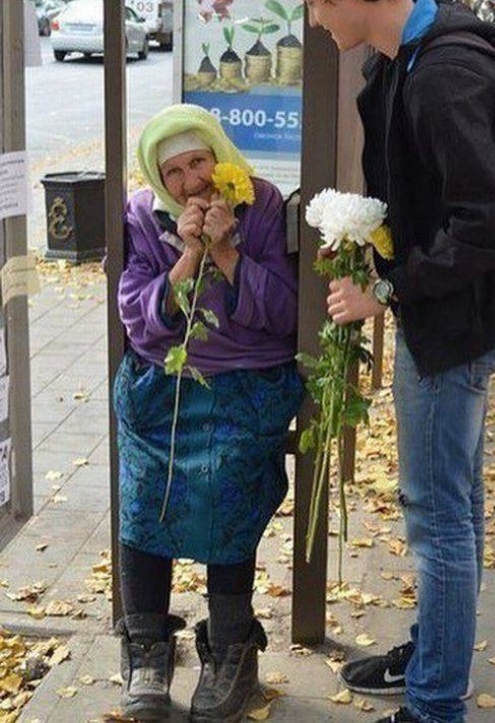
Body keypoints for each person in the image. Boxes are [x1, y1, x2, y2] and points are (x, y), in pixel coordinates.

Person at [287, 0, 495, 723]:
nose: (317, 22)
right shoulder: (415, 52)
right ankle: (436, 655)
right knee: (450, 506)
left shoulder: (442, 75)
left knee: (439, 517)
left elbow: (487, 220)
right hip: (459, 317)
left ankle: (434, 704)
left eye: (316, 4)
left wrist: (385, 295)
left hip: (452, 328)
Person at [113, 103, 304, 722]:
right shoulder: (144, 217)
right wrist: (189, 254)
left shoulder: (263, 204)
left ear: (220, 156)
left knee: (229, 491)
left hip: (245, 383)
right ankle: (146, 648)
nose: (192, 181)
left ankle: (230, 650)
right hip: (165, 386)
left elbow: (283, 312)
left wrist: (227, 252)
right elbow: (137, 311)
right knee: (148, 497)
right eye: (175, 172)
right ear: (157, 178)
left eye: (200, 161)